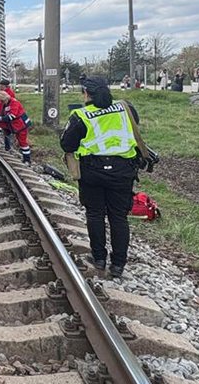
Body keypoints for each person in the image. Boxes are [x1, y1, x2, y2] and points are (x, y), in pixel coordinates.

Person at [59, 77, 141, 278]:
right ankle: (119, 264)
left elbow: (67, 145)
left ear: (86, 94)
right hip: (123, 170)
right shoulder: (126, 108)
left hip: (93, 171)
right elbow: (134, 128)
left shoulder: (81, 115)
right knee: (119, 217)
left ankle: (99, 259)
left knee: (95, 214)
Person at [0, 87, 33, 164]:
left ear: (5, 99)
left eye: (1, 101)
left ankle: (27, 159)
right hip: (14, 124)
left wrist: (1, 118)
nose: (1, 103)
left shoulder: (14, 103)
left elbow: (11, 116)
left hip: (21, 125)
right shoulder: (7, 103)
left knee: (22, 142)